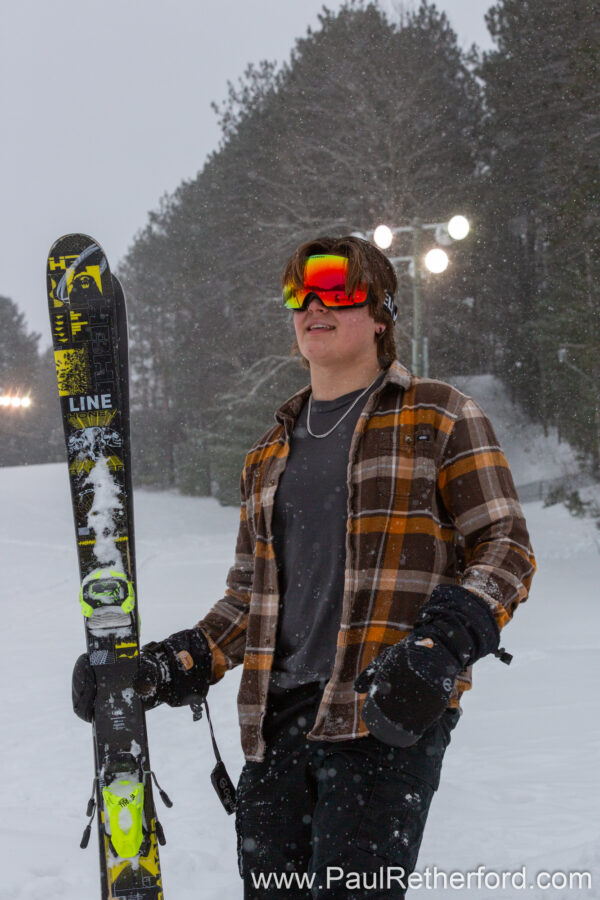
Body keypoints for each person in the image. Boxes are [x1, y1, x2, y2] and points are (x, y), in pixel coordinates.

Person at [73, 235, 536, 898]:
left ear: (380, 312)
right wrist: (159, 668)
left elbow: (505, 545)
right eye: (299, 293)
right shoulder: (268, 452)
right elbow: (246, 604)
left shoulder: (438, 414)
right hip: (276, 730)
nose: (313, 304)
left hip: (381, 719)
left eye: (337, 290)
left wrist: (440, 645)